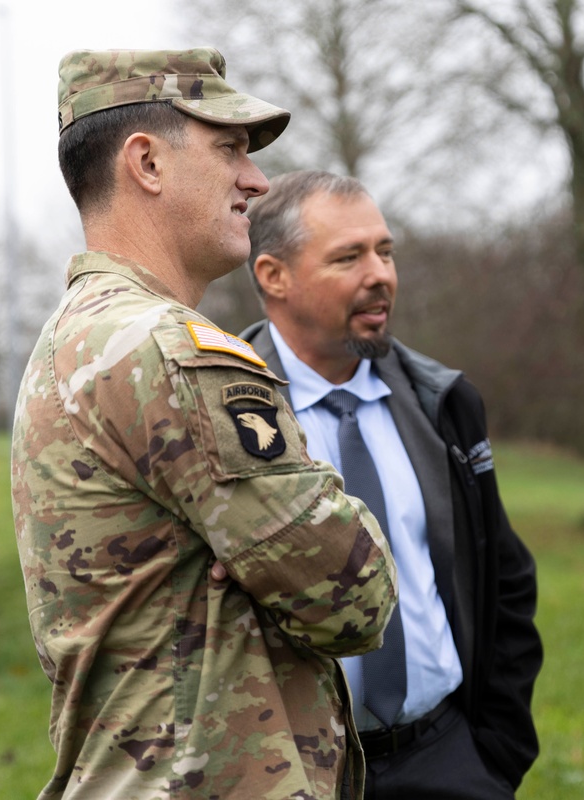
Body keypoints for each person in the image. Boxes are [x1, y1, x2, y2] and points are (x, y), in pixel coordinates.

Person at [10, 49, 398, 800]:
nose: (255, 181)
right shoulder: (169, 351)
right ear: (147, 162)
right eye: (230, 149)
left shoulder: (77, 336)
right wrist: (310, 537)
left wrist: (259, 560)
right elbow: (354, 593)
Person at [238, 170, 542, 799]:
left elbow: (504, 577)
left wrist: (496, 749)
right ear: (273, 276)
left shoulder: (444, 403)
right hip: (294, 775)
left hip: (448, 757)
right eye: (348, 257)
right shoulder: (225, 416)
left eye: (385, 250)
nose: (380, 274)